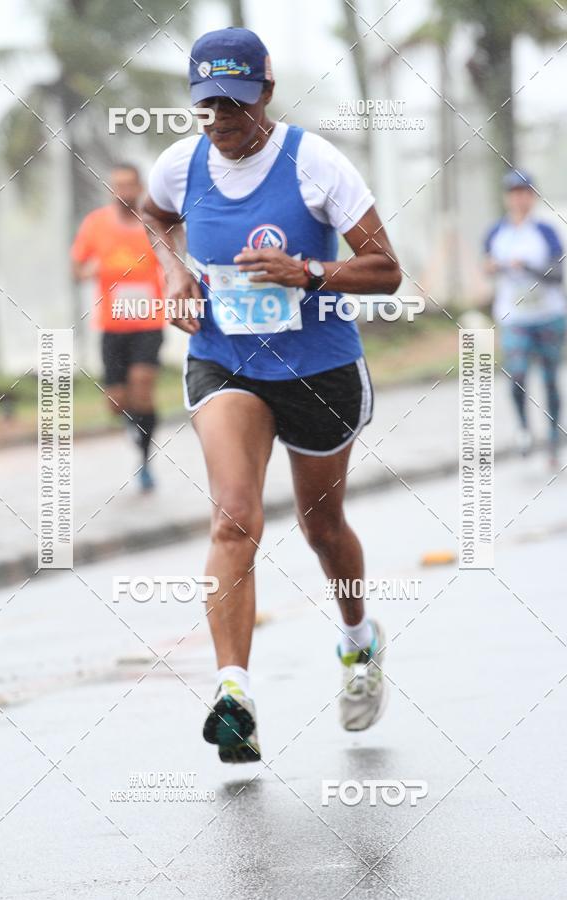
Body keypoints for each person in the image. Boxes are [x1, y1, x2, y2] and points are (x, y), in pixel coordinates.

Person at [143, 28, 402, 763]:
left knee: (323, 528)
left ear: (267, 93)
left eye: (235, 102)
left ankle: (358, 640)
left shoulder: (314, 162)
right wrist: (174, 272)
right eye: (207, 104)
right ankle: (234, 698)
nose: (221, 119)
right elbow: (155, 215)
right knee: (235, 519)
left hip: (318, 370)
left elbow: (386, 269)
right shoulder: (180, 164)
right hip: (226, 361)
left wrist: (309, 272)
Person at [72, 163, 165, 491]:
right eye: (117, 185)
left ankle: (145, 460)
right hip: (112, 326)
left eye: (128, 185)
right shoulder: (96, 224)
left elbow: (173, 260)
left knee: (142, 385)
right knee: (116, 402)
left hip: (149, 321)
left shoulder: (153, 223)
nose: (123, 191)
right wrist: (89, 271)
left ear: (139, 188)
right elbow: (76, 268)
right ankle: (132, 422)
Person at [484, 170, 566, 467]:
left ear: (533, 196)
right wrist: (492, 268)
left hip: (548, 316)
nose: (519, 199)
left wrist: (527, 267)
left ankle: (553, 439)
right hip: (514, 317)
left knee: (549, 378)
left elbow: (557, 274)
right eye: (514, 193)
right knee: (516, 375)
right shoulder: (496, 233)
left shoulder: (546, 232)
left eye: (524, 193)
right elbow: (486, 267)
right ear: (507, 198)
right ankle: (523, 429)